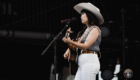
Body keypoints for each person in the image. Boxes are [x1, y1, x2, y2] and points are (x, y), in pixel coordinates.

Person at [62, 2, 104, 80]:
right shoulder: (85, 31)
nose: (81, 16)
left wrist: (70, 42)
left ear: (90, 15)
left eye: (83, 14)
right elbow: (77, 43)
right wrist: (68, 50)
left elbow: (86, 45)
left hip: (90, 62)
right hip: (83, 64)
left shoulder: (95, 29)